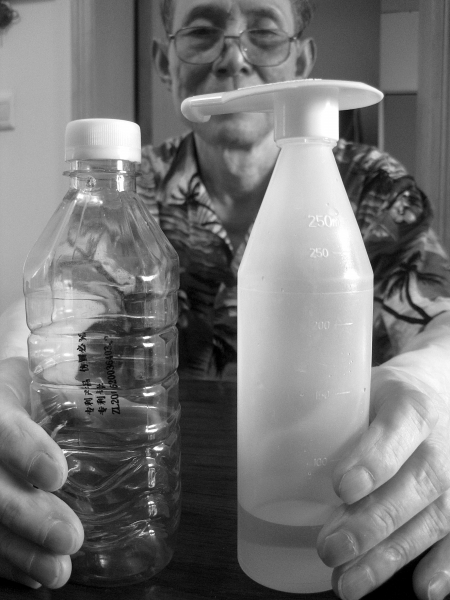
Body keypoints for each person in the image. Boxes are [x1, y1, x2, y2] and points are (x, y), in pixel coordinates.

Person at [1, 0, 450, 597]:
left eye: (263, 31)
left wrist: (429, 389)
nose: (233, 57)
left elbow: (440, 318)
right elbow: (63, 304)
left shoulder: (374, 187)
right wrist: (10, 375)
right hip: (167, 512)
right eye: (202, 30)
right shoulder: (126, 192)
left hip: (339, 502)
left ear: (303, 60)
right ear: (165, 61)